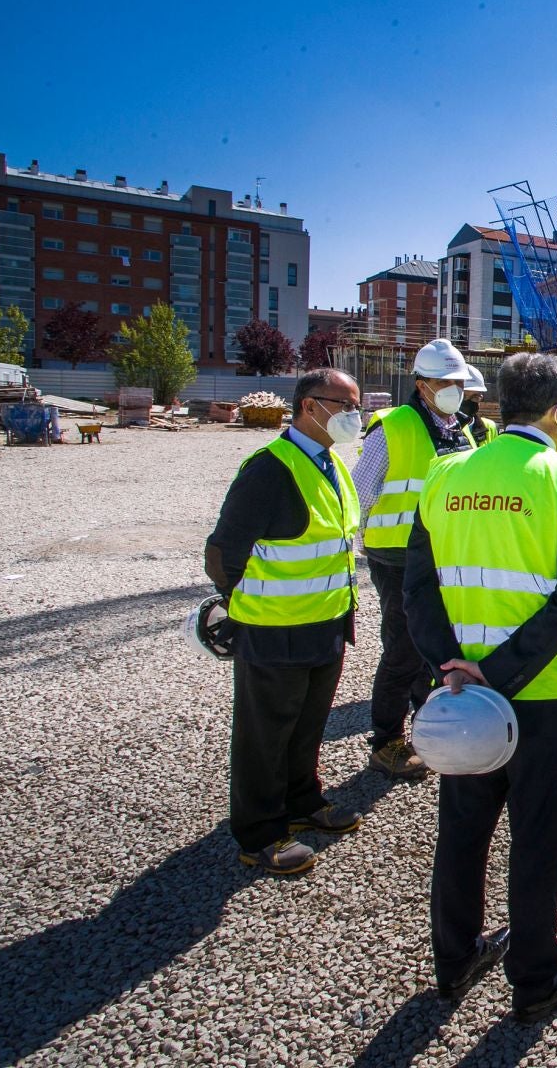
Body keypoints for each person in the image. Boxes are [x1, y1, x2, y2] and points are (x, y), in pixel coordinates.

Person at [403, 351, 557, 1018]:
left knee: (462, 830)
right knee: (538, 838)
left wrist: (453, 668)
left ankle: (455, 958)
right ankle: (535, 978)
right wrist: (501, 673)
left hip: (462, 694)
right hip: (546, 695)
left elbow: (418, 593)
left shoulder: (444, 472)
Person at [205, 368, 365, 875]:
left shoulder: (332, 465)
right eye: (344, 404)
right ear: (308, 406)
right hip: (275, 631)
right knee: (264, 736)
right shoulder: (270, 468)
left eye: (355, 404)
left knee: (306, 727)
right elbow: (222, 553)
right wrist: (242, 603)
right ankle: (259, 833)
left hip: (325, 624)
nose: (353, 415)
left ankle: (302, 803)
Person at [354, 337, 476, 778]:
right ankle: (385, 739)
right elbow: (359, 495)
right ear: (421, 385)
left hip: (443, 558)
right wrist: (348, 554)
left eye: (457, 382)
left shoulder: (460, 432)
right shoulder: (394, 426)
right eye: (443, 382)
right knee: (403, 649)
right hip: (396, 556)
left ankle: (429, 726)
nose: (452, 389)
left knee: (438, 649)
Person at [460, 363, 496, 445]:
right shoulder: (443, 429)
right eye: (463, 396)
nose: (468, 401)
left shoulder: (490, 427)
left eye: (475, 396)